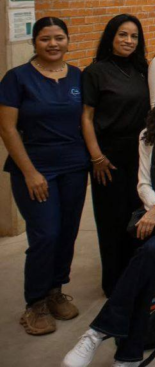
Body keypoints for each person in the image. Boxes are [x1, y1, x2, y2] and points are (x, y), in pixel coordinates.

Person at [62, 73, 155, 367]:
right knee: (146, 264)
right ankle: (127, 355)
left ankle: (98, 332)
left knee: (149, 252)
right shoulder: (147, 134)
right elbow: (143, 183)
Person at [0, 17, 89, 336]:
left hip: (74, 167)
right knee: (45, 234)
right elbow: (7, 128)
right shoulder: (17, 78)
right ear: (34, 42)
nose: (53, 44)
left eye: (59, 38)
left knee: (67, 232)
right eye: (45, 39)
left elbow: (85, 120)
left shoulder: (77, 76)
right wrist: (30, 172)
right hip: (36, 169)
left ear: (67, 41)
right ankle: (35, 303)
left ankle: (55, 291)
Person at [81, 15, 150, 297]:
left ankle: (136, 275)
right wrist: (96, 157)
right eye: (123, 35)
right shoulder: (95, 72)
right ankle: (114, 282)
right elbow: (86, 117)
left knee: (137, 214)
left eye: (134, 36)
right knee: (112, 218)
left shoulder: (142, 70)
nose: (128, 41)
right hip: (107, 156)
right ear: (111, 37)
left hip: (140, 153)